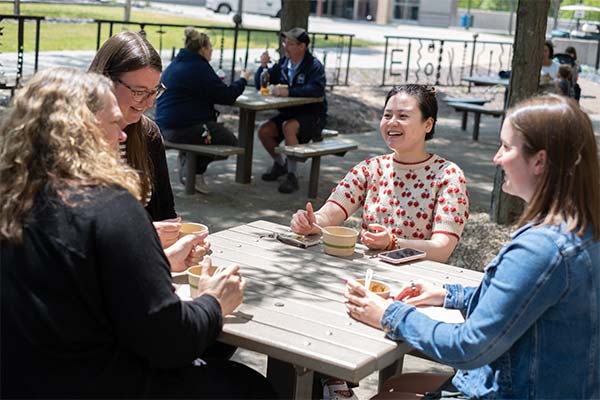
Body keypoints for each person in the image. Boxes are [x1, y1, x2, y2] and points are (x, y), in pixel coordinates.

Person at [0, 67, 274, 398]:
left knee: (214, 351)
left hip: (24, 380)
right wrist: (214, 302)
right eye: (114, 123)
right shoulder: (110, 206)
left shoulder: (15, 198)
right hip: (97, 385)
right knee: (249, 386)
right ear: (79, 132)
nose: (123, 135)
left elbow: (75, 282)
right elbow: (169, 342)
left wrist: (155, 261)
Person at [344, 94, 600, 399]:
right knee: (394, 387)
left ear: (539, 161)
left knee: (387, 396)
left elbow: (468, 347)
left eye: (506, 147)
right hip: (549, 384)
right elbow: (523, 301)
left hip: (517, 390)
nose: (496, 157)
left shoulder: (542, 248)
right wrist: (449, 295)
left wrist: (389, 314)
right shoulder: (580, 226)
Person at [291, 85, 469, 263]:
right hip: (369, 274)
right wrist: (311, 223)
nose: (392, 122)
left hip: (419, 282)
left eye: (403, 116)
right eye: (387, 115)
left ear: (428, 124)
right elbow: (329, 215)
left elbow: (442, 249)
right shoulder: (370, 169)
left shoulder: (448, 175)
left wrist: (393, 243)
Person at [89, 31, 181, 248]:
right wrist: (145, 239)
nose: (149, 103)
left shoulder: (148, 134)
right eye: (139, 91)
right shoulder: (68, 137)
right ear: (105, 80)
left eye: (154, 91)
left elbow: (164, 213)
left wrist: (178, 242)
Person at [156, 27, 251, 194]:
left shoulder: (177, 63)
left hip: (165, 127)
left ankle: (189, 161)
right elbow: (226, 96)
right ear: (203, 49)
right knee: (230, 141)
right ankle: (194, 172)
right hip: (183, 129)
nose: (212, 51)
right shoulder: (198, 67)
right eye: (210, 48)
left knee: (214, 133)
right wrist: (243, 80)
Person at [254, 27, 328, 194]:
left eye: (291, 43)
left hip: (312, 115)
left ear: (302, 46)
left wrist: (289, 91)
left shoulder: (314, 66)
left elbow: (316, 89)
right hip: (289, 113)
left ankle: (292, 176)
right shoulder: (283, 63)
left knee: (289, 127)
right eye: (285, 42)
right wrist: (263, 67)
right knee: (264, 131)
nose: (286, 47)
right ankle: (281, 165)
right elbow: (261, 85)